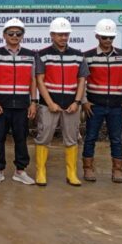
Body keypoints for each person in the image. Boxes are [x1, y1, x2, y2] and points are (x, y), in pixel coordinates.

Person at [34, 17, 89, 186]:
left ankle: (71, 173)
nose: (63, 37)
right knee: (44, 137)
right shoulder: (42, 54)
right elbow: (39, 80)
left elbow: (82, 81)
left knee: (71, 139)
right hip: (49, 105)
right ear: (52, 35)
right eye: (60, 34)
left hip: (71, 105)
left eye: (66, 34)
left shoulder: (78, 55)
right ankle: (40, 171)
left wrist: (77, 102)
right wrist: (50, 102)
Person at [81, 19, 122, 183]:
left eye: (111, 37)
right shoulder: (88, 56)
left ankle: (117, 170)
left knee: (116, 139)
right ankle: (88, 168)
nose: (108, 40)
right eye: (104, 37)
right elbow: (81, 81)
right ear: (97, 36)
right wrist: (84, 101)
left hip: (116, 106)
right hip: (94, 106)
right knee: (90, 137)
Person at [0, 18, 38, 185]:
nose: (14, 36)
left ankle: (20, 171)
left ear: (23, 35)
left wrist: (33, 102)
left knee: (21, 138)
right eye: (11, 33)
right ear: (4, 35)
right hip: (1, 104)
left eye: (18, 33)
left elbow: (33, 80)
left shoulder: (31, 55)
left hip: (22, 105)